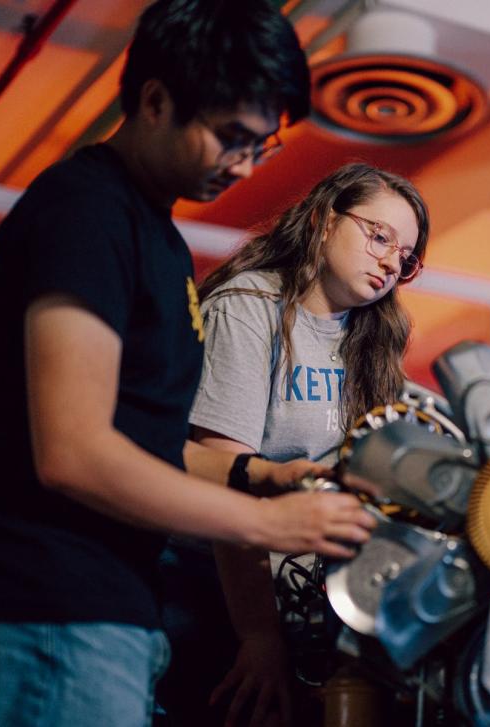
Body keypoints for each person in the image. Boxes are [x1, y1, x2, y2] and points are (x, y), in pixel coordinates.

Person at [0, 2, 376, 725]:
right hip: (44, 611)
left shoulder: (152, 233)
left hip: (96, 612)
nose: (247, 163)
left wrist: (264, 477)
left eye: (263, 146)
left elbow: (140, 445)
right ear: (155, 99)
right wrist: (271, 525)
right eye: (231, 137)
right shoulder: (87, 212)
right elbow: (74, 453)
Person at [155, 162, 429, 726]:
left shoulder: (369, 338)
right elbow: (226, 483)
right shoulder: (248, 307)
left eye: (406, 256)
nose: (390, 262)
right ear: (326, 220)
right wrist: (258, 638)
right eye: (379, 236)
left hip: (302, 597)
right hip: (213, 589)